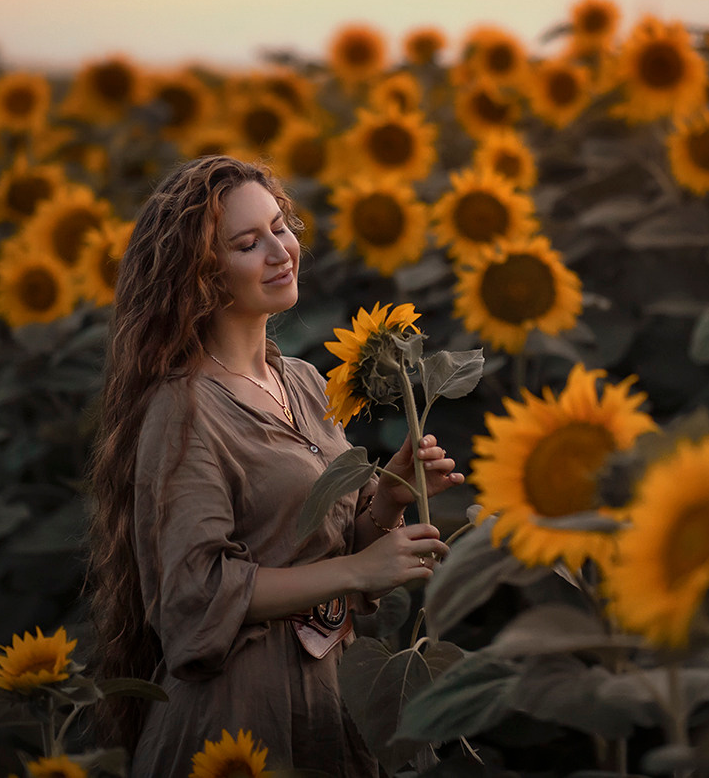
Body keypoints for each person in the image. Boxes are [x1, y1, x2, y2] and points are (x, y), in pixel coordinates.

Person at [85, 156, 461, 775]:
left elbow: (319, 544)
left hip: (330, 696)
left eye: (280, 225)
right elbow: (194, 591)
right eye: (246, 242)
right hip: (243, 712)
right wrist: (358, 569)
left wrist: (391, 494)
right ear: (200, 275)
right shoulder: (185, 407)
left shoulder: (307, 383)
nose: (280, 250)